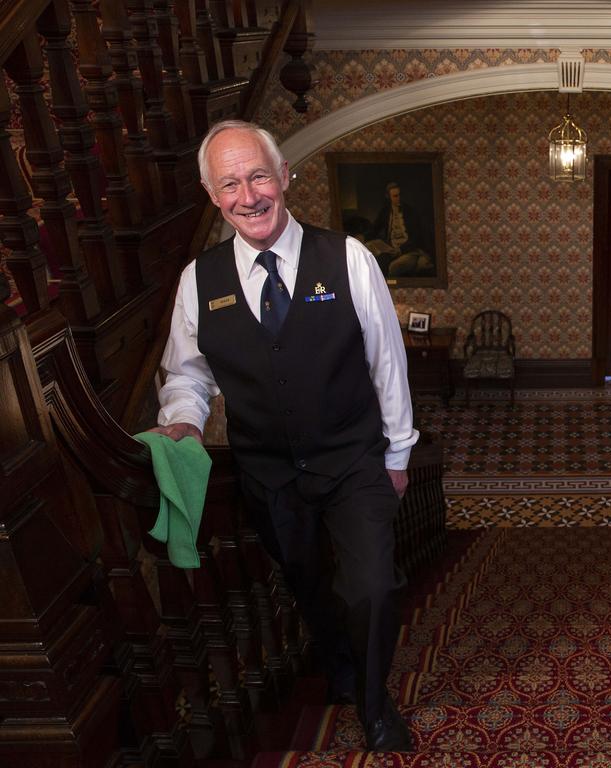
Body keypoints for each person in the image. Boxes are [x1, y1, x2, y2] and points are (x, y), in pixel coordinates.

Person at [150, 120, 417, 752]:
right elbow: (187, 375)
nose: (249, 195)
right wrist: (183, 418)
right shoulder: (198, 280)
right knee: (306, 581)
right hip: (268, 471)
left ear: (285, 177)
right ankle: (342, 667)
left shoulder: (348, 258)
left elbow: (387, 362)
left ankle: (375, 706)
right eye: (230, 183)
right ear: (214, 196)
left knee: (373, 585)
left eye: (259, 175)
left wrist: (399, 452)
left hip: (355, 460)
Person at [366, 182, 434, 277]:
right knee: (369, 247)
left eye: (399, 195)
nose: (399, 198)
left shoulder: (411, 212)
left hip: (408, 251)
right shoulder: (385, 211)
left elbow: (416, 238)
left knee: (394, 267)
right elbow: (375, 229)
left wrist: (400, 250)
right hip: (390, 249)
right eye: (395, 196)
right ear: (388, 197)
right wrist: (362, 238)